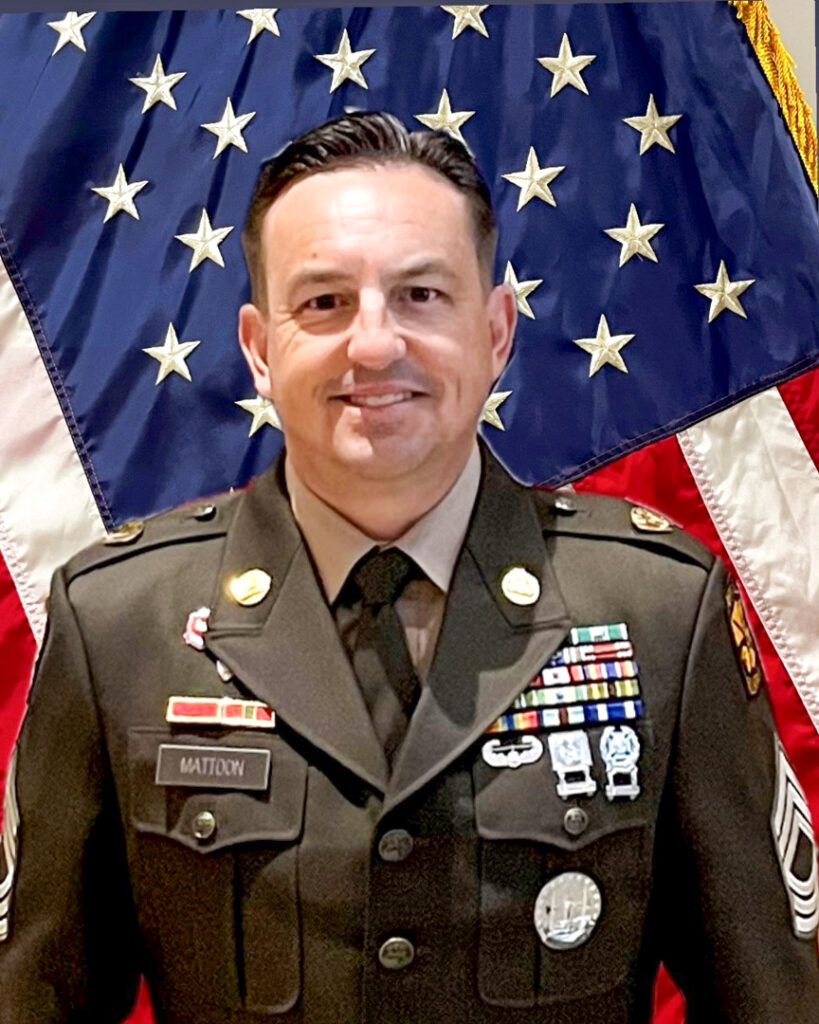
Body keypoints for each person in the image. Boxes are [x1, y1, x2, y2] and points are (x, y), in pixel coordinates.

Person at [1, 110, 817, 1023]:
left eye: (421, 295)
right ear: (260, 351)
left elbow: (773, 997)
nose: (375, 344)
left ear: (497, 332)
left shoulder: (658, 607)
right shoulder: (120, 622)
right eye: (323, 303)